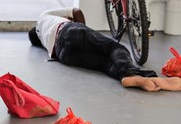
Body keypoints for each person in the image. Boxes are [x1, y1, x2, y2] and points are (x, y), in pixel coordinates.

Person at [28, 8, 181, 92]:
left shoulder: (43, 41)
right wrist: (86, 32)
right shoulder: (44, 17)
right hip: (69, 31)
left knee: (104, 64)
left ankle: (129, 78)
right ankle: (139, 74)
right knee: (114, 48)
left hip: (62, 54)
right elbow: (77, 12)